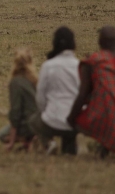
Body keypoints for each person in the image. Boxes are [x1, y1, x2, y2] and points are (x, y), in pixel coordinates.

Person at [67, 26, 115, 157]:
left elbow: (83, 95)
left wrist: (70, 118)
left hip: (103, 120)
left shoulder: (93, 61)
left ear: (100, 42)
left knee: (78, 120)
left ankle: (74, 148)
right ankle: (112, 144)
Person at [29, 27, 80, 155]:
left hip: (51, 120)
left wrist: (46, 111)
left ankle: (48, 143)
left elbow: (40, 98)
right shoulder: (79, 66)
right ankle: (70, 148)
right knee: (70, 132)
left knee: (33, 121)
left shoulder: (48, 66)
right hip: (75, 122)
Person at [0, 48, 39, 152]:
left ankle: (29, 138)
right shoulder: (35, 79)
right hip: (40, 121)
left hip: (28, 123)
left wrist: (11, 142)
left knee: (1, 135)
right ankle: (33, 139)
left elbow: (16, 112)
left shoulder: (15, 82)